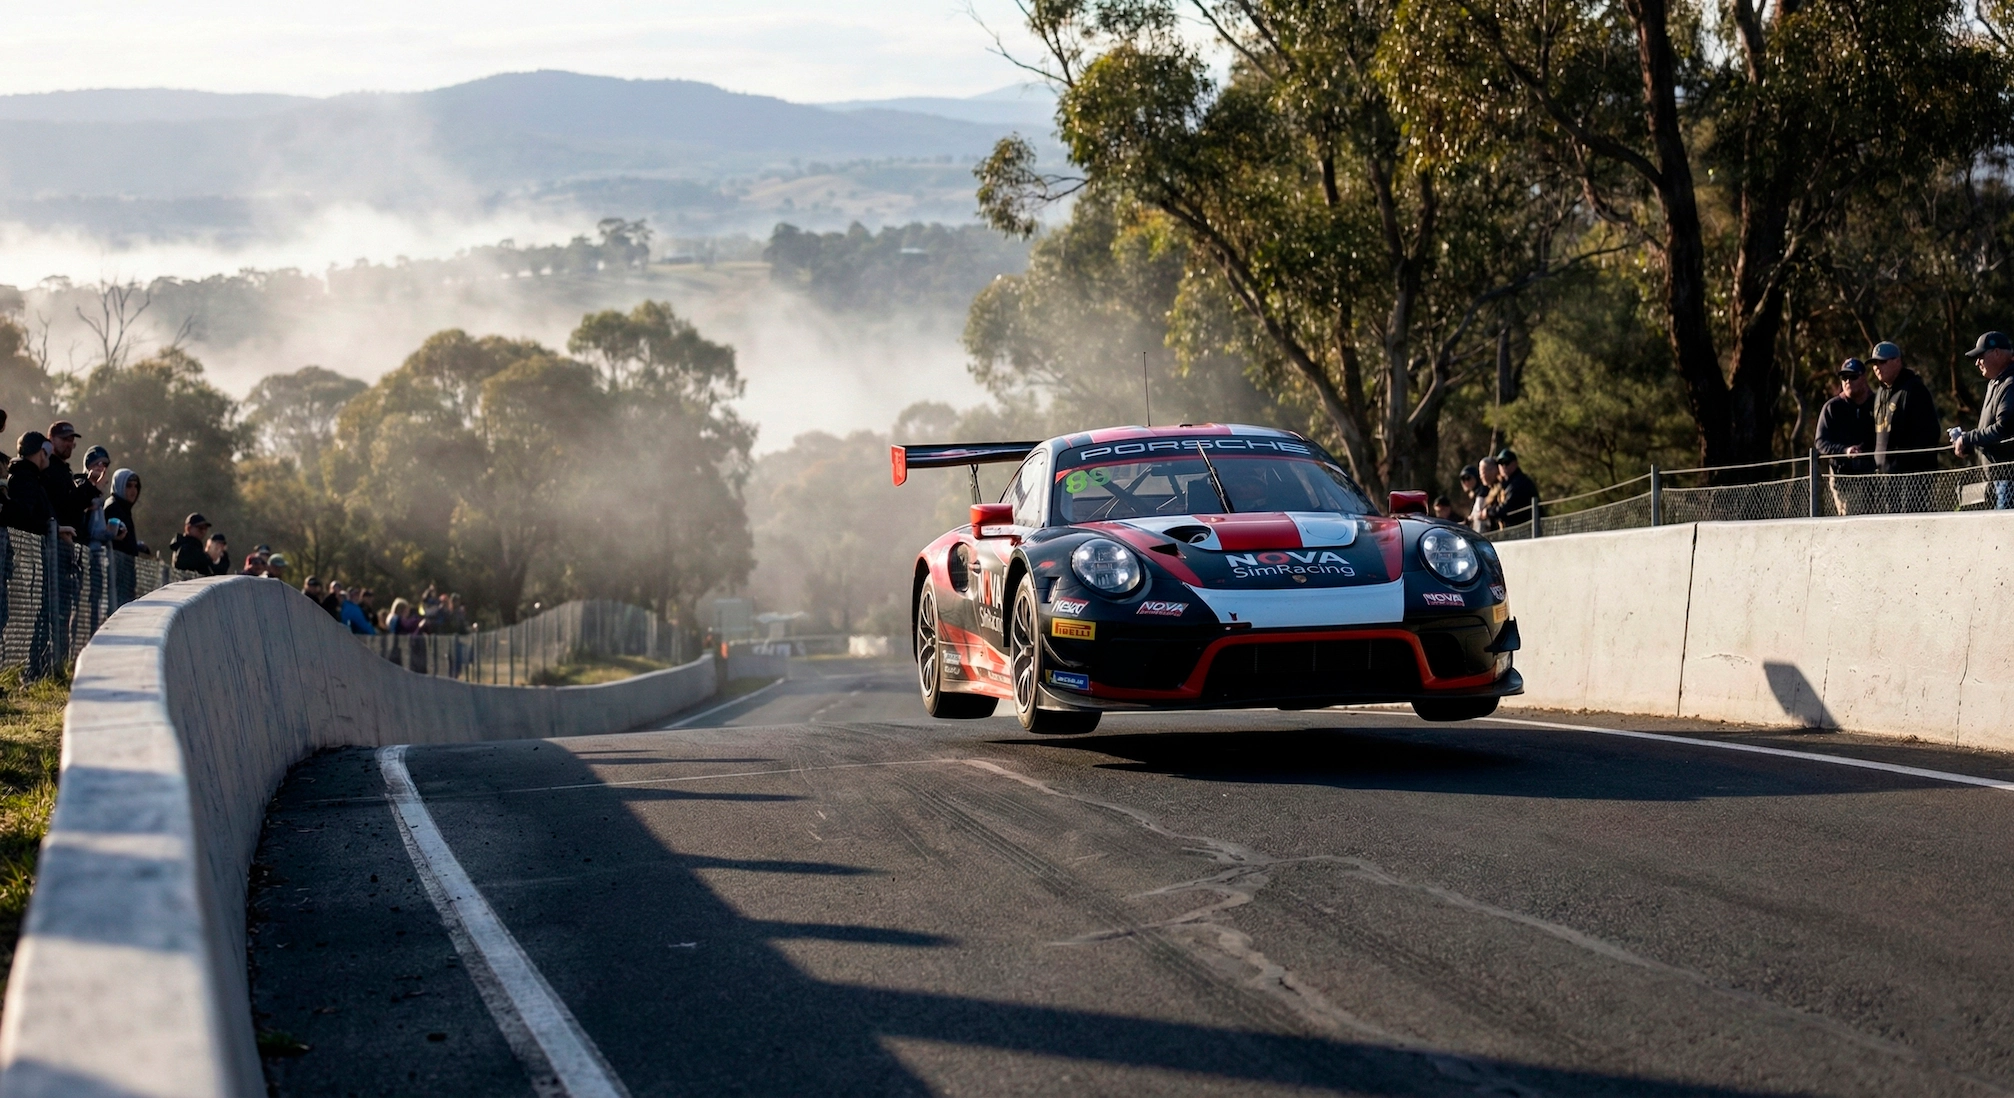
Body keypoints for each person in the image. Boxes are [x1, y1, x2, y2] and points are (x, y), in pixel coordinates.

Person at [1869, 341, 1942, 477]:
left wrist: (1903, 465)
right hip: (1884, 476)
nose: (1877, 367)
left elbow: (1929, 433)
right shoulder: (1880, 392)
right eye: (1874, 364)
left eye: (1882, 362)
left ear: (1897, 361)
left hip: (1911, 478)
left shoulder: (1914, 389)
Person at [2, 433, 63, 538]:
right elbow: (23, 517)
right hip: (27, 549)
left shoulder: (30, 477)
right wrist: (53, 529)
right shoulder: (26, 479)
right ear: (42, 452)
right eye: (48, 451)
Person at [41, 421, 92, 540]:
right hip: (54, 544)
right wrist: (90, 488)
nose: (69, 444)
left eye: (71, 440)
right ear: (51, 439)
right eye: (64, 440)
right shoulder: (49, 469)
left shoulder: (65, 471)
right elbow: (66, 506)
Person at [1487, 449, 1538, 529]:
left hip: (1528, 530)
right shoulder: (1505, 484)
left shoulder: (1520, 483)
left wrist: (1488, 512)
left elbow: (1506, 507)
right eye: (1500, 463)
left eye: (1506, 462)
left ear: (1515, 463)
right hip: (1516, 530)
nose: (1503, 466)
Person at [104, 469, 148, 556]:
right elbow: (113, 541)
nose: (133, 490)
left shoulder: (124, 508)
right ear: (119, 485)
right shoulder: (114, 508)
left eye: (136, 486)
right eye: (129, 486)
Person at [79, 446, 111, 545]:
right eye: (96, 463)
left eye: (104, 464)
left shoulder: (102, 495)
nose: (100, 466)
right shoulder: (78, 484)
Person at [1469, 457, 1500, 531]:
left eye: (1483, 472)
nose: (1481, 476)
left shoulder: (1500, 488)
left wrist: (1487, 512)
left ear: (1494, 470)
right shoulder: (1489, 489)